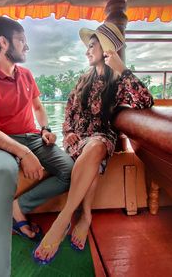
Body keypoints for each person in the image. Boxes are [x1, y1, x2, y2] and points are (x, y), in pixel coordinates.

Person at [33, 22, 154, 264]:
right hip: (77, 141)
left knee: (97, 146)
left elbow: (146, 102)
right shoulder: (84, 78)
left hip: (101, 140)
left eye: (91, 46)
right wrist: (67, 133)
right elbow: (69, 111)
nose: (87, 51)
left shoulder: (119, 81)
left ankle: (64, 217)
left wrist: (123, 70)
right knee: (92, 157)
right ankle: (85, 215)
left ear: (106, 49)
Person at [0, 16, 74, 277]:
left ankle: (20, 207)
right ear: (4, 43)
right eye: (22, 41)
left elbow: (38, 108)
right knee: (4, 173)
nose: (26, 47)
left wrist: (46, 129)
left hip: (33, 138)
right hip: (2, 142)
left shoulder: (26, 75)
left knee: (71, 171)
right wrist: (23, 152)